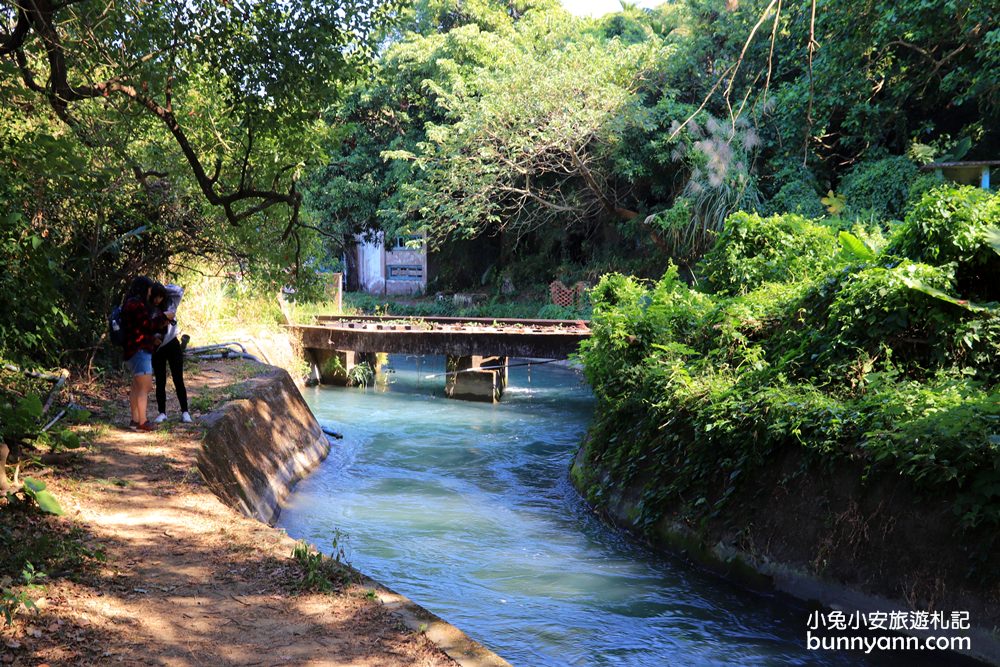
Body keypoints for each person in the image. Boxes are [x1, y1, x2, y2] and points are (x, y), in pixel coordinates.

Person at [121, 276, 170, 431]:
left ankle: (135, 420)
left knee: (136, 386)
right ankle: (143, 421)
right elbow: (147, 325)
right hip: (140, 350)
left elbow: (138, 329)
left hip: (131, 350)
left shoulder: (128, 303)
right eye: (149, 289)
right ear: (144, 289)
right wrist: (164, 318)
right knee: (145, 387)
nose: (150, 293)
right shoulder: (137, 305)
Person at [151, 282, 191, 423]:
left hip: (173, 344)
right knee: (160, 381)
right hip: (157, 348)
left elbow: (178, 290)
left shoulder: (170, 303)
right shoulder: (149, 309)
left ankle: (185, 412)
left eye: (160, 297)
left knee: (178, 379)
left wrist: (160, 288)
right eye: (155, 297)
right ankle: (162, 413)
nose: (157, 300)